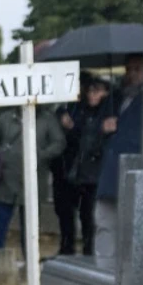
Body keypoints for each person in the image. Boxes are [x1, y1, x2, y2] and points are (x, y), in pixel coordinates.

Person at [0, 103, 65, 252]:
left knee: (30, 225)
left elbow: (59, 143)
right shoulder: (6, 118)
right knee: (0, 220)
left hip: (34, 177)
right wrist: (0, 152)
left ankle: (30, 257)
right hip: (7, 177)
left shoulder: (48, 120)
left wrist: (41, 154)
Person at [96, 54, 143, 263]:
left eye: (137, 69)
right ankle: (104, 273)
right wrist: (103, 128)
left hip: (136, 175)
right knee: (105, 225)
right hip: (110, 174)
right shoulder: (115, 99)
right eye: (128, 69)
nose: (131, 74)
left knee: (132, 233)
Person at [54, 75, 112, 256]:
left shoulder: (108, 111)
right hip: (73, 170)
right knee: (66, 212)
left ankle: (89, 250)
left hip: (93, 172)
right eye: (90, 90)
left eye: (97, 90)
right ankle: (67, 246)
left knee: (88, 215)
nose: (91, 94)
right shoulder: (77, 110)